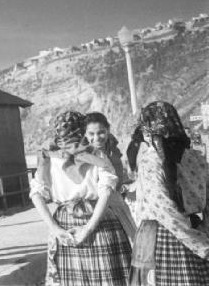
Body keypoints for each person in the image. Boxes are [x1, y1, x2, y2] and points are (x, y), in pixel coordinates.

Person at [30, 111, 131, 286]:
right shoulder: (96, 154)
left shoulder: (48, 156)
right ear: (82, 130)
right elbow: (106, 191)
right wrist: (88, 228)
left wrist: (54, 228)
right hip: (100, 219)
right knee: (109, 277)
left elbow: (36, 193)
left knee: (72, 280)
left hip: (65, 221)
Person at [129, 101, 209, 285]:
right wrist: (204, 234)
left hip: (162, 238)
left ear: (146, 130)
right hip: (195, 230)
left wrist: (202, 245)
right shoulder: (195, 157)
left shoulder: (150, 161)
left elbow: (165, 211)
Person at [83, 112, 136, 242]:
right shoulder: (83, 155)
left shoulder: (113, 150)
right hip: (93, 209)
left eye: (101, 132)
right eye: (91, 134)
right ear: (84, 134)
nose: (96, 138)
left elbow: (120, 176)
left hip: (117, 206)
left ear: (108, 130)